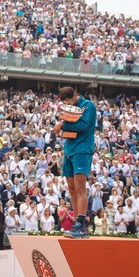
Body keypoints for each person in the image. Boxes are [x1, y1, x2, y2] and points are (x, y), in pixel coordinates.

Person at [52, 87, 96, 238]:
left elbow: (83, 125)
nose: (67, 104)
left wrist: (63, 124)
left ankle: (81, 224)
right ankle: (79, 226)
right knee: (71, 188)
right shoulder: (68, 108)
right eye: (64, 102)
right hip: (69, 149)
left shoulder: (88, 106)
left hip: (82, 149)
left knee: (79, 188)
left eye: (69, 101)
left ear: (75, 95)